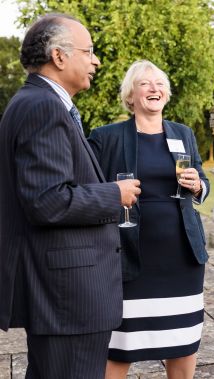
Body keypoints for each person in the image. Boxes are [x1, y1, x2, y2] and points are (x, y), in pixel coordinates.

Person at [0, 13, 141, 378]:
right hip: (68, 297)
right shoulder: (43, 107)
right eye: (89, 51)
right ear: (59, 56)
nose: (96, 60)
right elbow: (48, 201)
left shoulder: (39, 102)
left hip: (64, 296)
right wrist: (115, 194)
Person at [88, 60, 210, 379]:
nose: (154, 89)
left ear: (166, 94)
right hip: (128, 255)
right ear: (131, 96)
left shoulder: (183, 133)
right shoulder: (106, 137)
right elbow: (87, 188)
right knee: (120, 345)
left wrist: (199, 185)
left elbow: (203, 182)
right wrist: (114, 192)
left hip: (182, 257)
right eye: (145, 84)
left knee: (183, 343)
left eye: (159, 84)